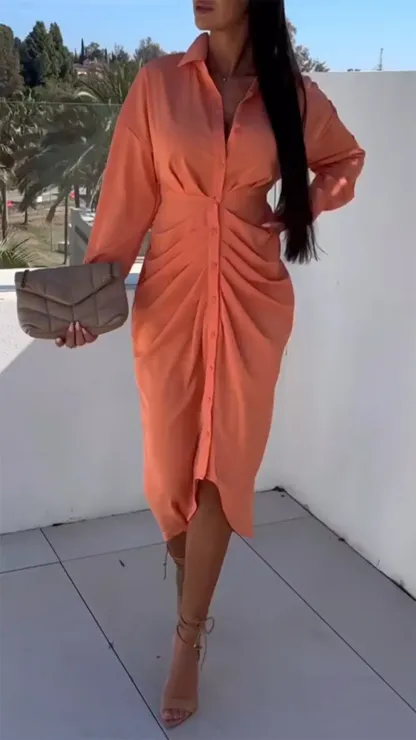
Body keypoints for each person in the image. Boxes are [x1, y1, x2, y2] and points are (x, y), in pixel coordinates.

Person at [56, 0, 365, 729]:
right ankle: (190, 586)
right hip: (171, 294)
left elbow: (345, 160)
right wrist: (90, 300)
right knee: (169, 475)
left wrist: (300, 208)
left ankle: (188, 637)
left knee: (225, 463)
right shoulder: (158, 84)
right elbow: (125, 199)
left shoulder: (293, 95)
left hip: (254, 296)